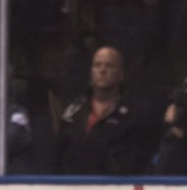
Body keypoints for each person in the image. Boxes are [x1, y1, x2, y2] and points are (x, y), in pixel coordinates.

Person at [55, 45, 149, 175]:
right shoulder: (73, 111)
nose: (102, 70)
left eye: (109, 65)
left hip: (117, 188)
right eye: (97, 65)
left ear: (121, 74)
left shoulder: (134, 114)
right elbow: (58, 156)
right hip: (74, 189)